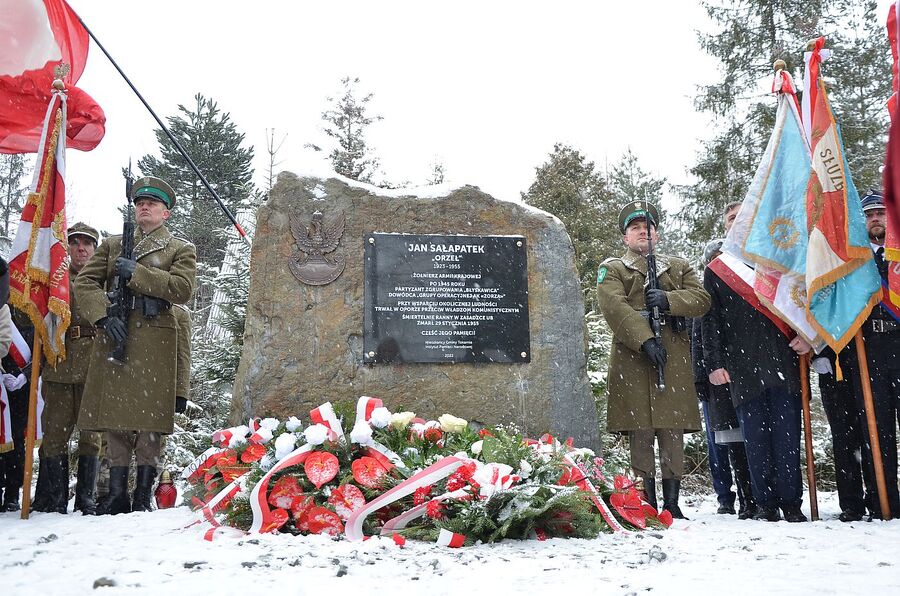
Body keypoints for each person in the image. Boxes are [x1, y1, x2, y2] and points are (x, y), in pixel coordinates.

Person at [75, 176, 196, 515]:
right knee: (115, 421)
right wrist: (102, 317)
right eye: (140, 202)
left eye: (152, 204)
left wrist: (138, 274)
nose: (144, 207)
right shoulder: (113, 244)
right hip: (118, 335)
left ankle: (142, 496)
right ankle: (116, 496)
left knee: (150, 426)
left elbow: (182, 289)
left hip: (156, 342)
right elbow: (85, 282)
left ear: (165, 213)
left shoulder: (179, 249)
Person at [596, 201, 710, 519]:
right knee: (641, 431)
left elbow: (701, 299)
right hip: (633, 360)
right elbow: (613, 305)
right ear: (625, 238)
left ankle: (673, 504)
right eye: (635, 228)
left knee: (671, 432)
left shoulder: (678, 267)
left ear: (657, 235)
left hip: (671, 360)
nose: (643, 232)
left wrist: (668, 299)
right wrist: (644, 339)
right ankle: (645, 502)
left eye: (648, 227)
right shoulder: (614, 268)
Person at [702, 241, 812, 522]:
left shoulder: (783, 262)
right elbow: (710, 320)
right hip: (743, 366)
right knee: (755, 440)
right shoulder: (719, 270)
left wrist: (809, 334)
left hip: (783, 360)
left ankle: (791, 502)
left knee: (787, 437)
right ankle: (765, 503)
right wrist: (714, 363)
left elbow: (806, 302)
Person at [33, 223, 104, 514]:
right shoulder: (54, 280)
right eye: (75, 243)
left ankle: (86, 499)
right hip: (59, 363)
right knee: (54, 435)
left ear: (94, 249)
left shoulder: (103, 279)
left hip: (94, 366)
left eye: (87, 243)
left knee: (91, 436)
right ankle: (54, 498)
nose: (81, 248)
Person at [692, 235, 756, 519]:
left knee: (742, 442)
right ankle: (724, 496)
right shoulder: (706, 295)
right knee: (720, 444)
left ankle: (748, 495)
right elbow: (698, 341)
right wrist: (699, 378)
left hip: (739, 377)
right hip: (713, 382)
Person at [851, 191, 900, 519]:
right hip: (869, 350)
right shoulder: (853, 261)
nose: (875, 219)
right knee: (875, 429)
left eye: (881, 213)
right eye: (869, 215)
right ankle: (884, 500)